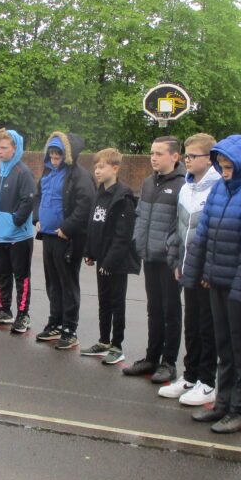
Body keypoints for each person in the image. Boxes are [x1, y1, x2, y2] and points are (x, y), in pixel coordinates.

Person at [182, 134, 241, 434]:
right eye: (221, 165)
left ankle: (239, 409)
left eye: (229, 166)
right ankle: (223, 403)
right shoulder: (220, 188)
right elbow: (204, 235)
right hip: (217, 280)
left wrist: (240, 287)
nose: (225, 171)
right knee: (224, 345)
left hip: (240, 285)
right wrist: (197, 275)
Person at [159, 133, 221, 404]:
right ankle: (190, 376)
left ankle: (207, 382)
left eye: (193, 156)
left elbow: (216, 235)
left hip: (205, 272)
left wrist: (208, 269)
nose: (188, 160)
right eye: (187, 155)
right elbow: (178, 228)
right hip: (186, 268)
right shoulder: (186, 188)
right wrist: (176, 261)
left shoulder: (218, 188)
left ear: (209, 159)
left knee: (207, 327)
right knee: (192, 325)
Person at [126, 135, 186, 383]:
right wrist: (138, 241)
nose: (153, 157)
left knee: (171, 310)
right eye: (152, 153)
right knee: (154, 309)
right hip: (149, 255)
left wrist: (169, 247)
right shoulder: (149, 183)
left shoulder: (183, 185)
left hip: (169, 259)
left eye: (159, 153)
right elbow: (140, 214)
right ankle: (152, 357)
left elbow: (182, 223)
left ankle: (168, 363)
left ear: (175, 156)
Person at [32, 132, 94, 350]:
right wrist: (37, 218)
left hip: (67, 239)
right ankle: (55, 323)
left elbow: (86, 204)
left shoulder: (80, 175)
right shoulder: (48, 172)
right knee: (52, 282)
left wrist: (67, 228)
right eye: (51, 154)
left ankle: (69, 329)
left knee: (67, 283)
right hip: (48, 235)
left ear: (67, 154)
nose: (54, 158)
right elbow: (38, 196)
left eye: (58, 154)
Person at [81, 148, 139, 366]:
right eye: (96, 166)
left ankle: (117, 346)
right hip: (102, 259)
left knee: (117, 303)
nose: (97, 170)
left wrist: (109, 262)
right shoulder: (99, 193)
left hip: (116, 262)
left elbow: (123, 235)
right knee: (103, 302)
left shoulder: (123, 196)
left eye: (102, 167)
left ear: (115, 168)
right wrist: (89, 252)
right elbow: (93, 225)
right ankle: (103, 341)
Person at [0, 128, 36, 334]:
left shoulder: (23, 173)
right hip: (0, 235)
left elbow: (28, 200)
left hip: (19, 236)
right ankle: (4, 309)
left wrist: (15, 221)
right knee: (3, 274)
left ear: (15, 148)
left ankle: (23, 314)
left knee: (21, 277)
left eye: (4, 147)